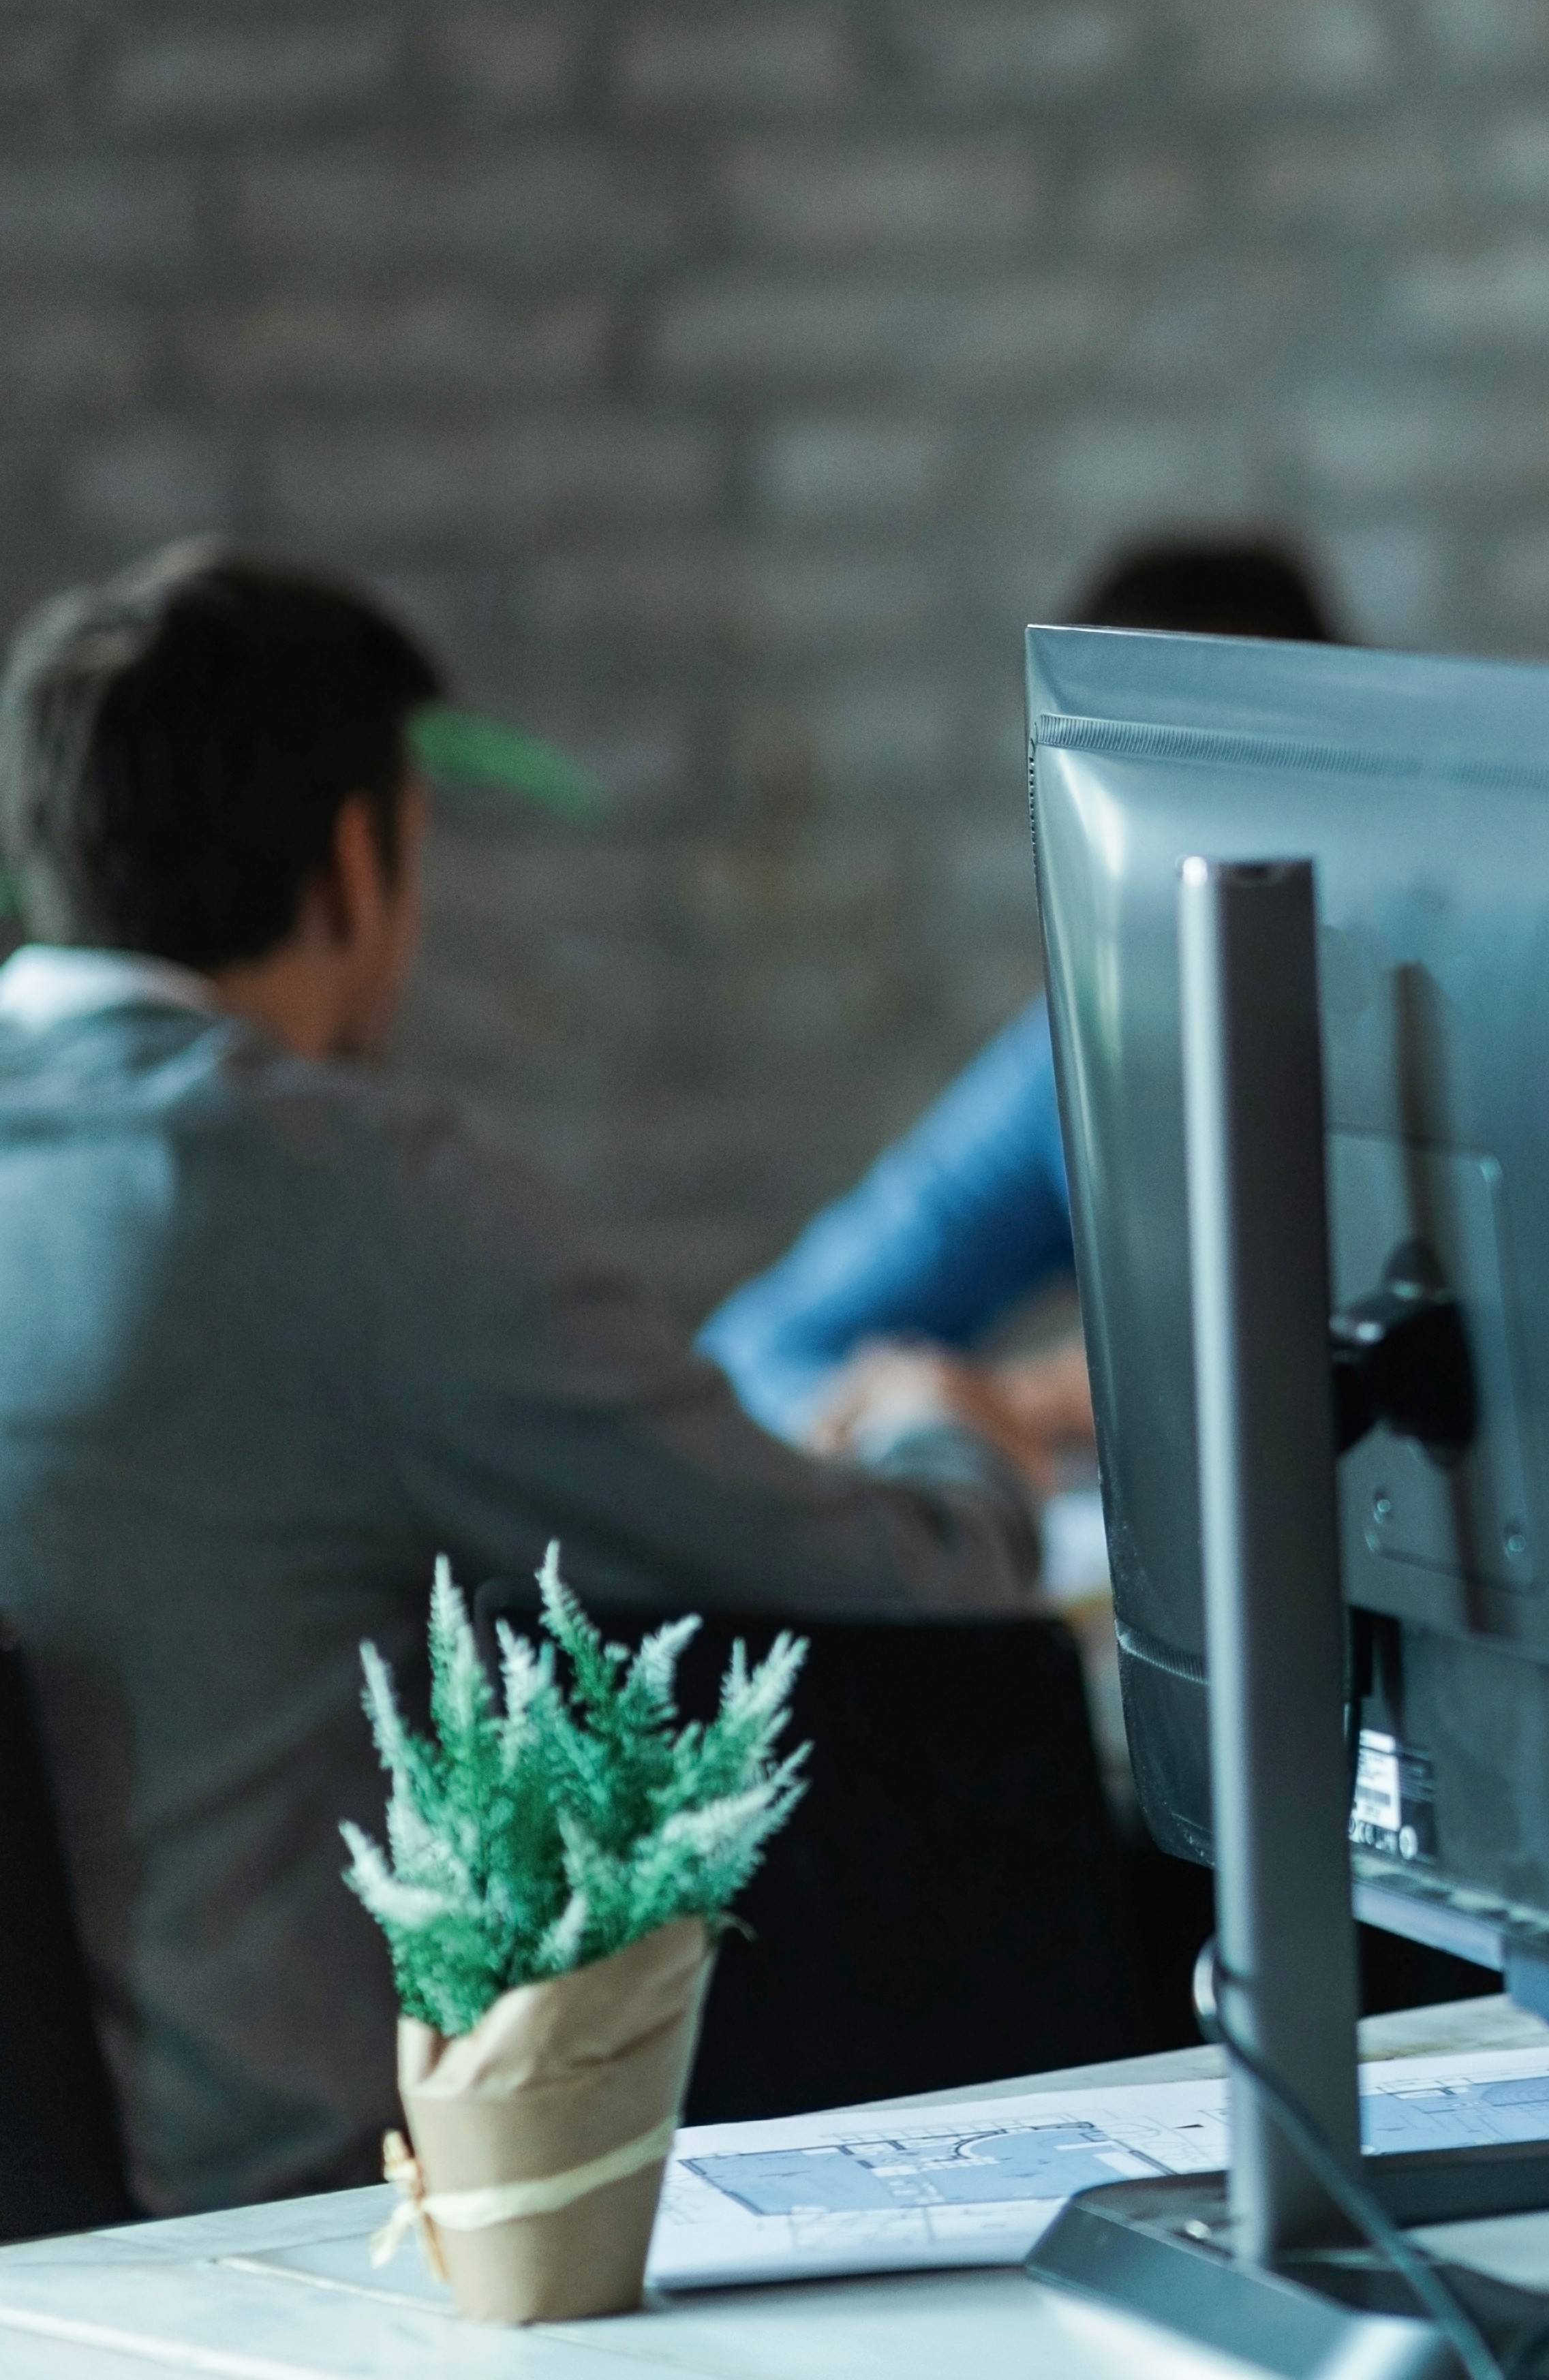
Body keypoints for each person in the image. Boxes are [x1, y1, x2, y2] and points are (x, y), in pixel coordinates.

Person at [0, 546, 1073, 2215]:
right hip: (286, 2217)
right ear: (357, 861)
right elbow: (892, 1579)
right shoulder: (331, 1196)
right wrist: (957, 1434)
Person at [698, 532, 1342, 1449]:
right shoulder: (1086, 1049)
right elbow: (755, 1355)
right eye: (1120, 787)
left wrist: (1058, 1397)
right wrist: (940, 1407)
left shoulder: (1441, 1049)